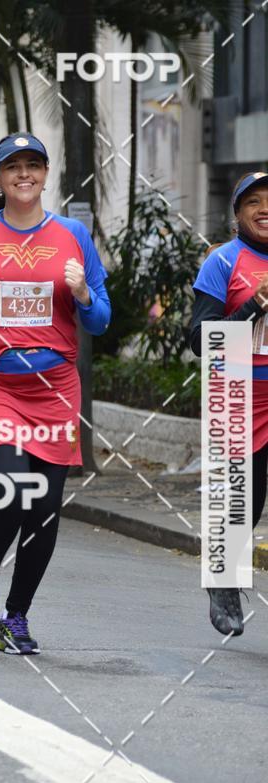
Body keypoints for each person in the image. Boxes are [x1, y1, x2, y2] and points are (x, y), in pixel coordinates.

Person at [0, 132, 111, 655]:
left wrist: (82, 293)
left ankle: (17, 617)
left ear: (46, 172)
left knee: (46, 509)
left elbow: (101, 320)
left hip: (55, 386)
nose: (24, 174)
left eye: (33, 165)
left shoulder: (73, 234)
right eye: (13, 167)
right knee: (12, 488)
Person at [189, 171, 268, 637]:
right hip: (238, 391)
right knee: (242, 502)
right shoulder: (223, 262)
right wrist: (250, 310)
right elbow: (202, 340)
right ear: (237, 214)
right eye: (253, 202)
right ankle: (224, 588)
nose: (264, 209)